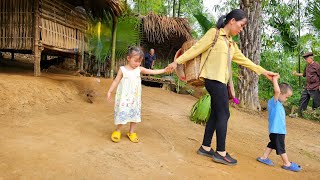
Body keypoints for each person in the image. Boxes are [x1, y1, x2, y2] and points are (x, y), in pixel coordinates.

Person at [167, 9, 277, 165]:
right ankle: (220, 152)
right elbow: (195, 49)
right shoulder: (214, 33)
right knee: (224, 114)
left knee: (216, 114)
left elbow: (245, 61)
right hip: (213, 80)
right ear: (232, 21)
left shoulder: (231, 43)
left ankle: (205, 147)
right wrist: (177, 62)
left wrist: (264, 72)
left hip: (221, 82)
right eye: (241, 24)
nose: (242, 28)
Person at [107, 47, 168, 143]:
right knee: (122, 112)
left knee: (134, 114)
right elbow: (116, 81)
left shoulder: (139, 69)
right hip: (124, 98)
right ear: (128, 58)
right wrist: (110, 91)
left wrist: (164, 70)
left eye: (139, 62)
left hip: (134, 99)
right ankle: (118, 130)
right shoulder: (122, 70)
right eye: (135, 61)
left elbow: (153, 72)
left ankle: (131, 132)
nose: (137, 64)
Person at [257, 75, 302, 172]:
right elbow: (277, 91)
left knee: (272, 144)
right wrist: (275, 80)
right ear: (280, 93)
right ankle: (287, 163)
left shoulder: (279, 104)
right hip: (277, 131)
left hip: (276, 130)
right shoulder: (274, 102)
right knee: (281, 147)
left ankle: (264, 157)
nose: (287, 99)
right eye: (286, 97)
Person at [293, 52, 320, 117]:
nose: (305, 60)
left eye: (306, 59)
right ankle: (299, 114)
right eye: (305, 59)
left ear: (311, 58)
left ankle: (316, 116)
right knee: (303, 99)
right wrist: (296, 74)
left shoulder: (317, 65)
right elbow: (304, 74)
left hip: (315, 86)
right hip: (308, 86)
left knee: (316, 102)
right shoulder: (307, 65)